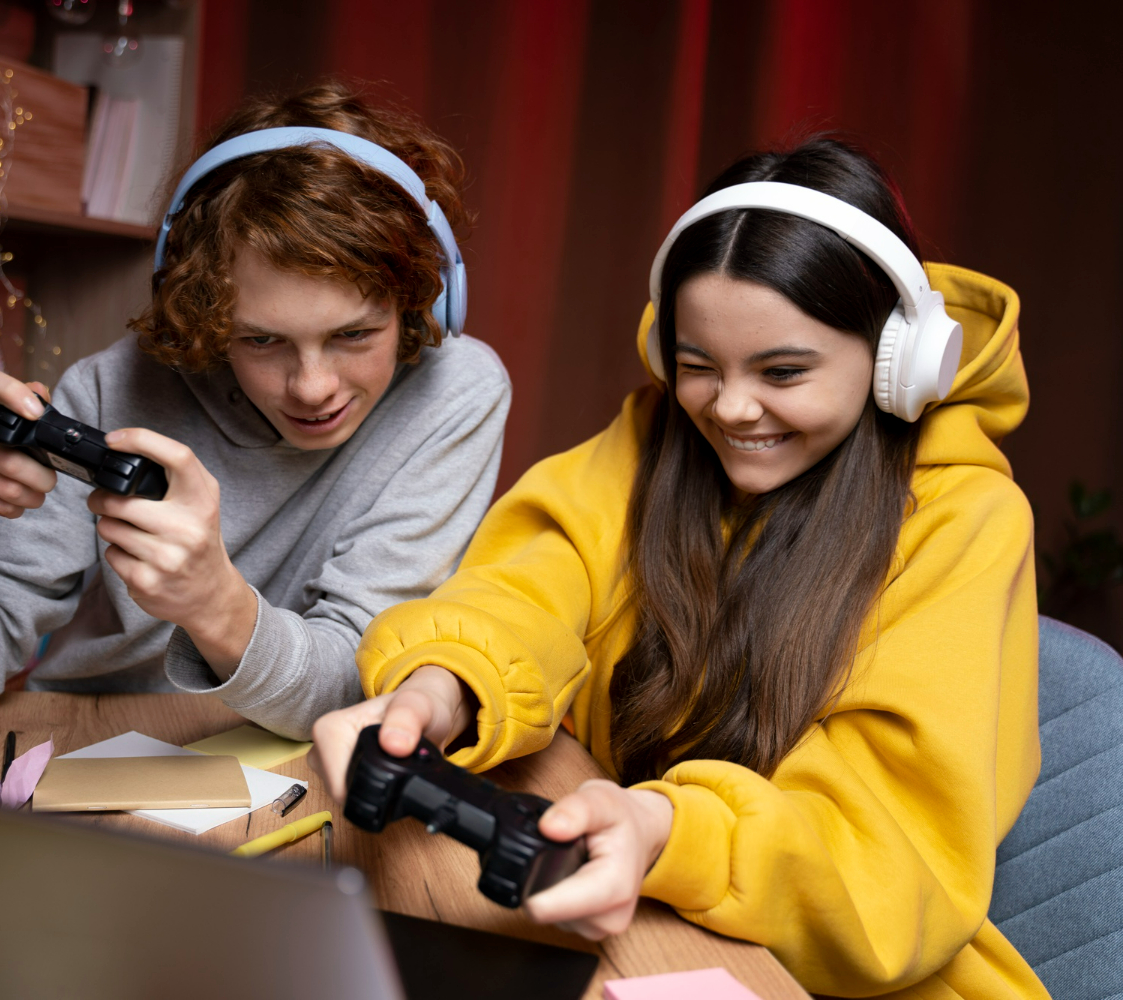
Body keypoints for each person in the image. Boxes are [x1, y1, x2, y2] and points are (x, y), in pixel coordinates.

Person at [311, 137, 1045, 999]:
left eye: (783, 371)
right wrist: (440, 686)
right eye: (698, 366)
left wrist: (662, 828)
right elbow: (529, 583)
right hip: (658, 922)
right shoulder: (653, 436)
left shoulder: (969, 522)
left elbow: (886, 855)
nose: (730, 408)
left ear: (899, 363)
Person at [0, 83, 511, 739]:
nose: (314, 387)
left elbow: (360, 687)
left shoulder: (455, 392)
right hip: (99, 742)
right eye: (262, 340)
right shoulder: (109, 388)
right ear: (205, 314)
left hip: (308, 762)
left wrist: (216, 606)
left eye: (354, 336)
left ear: (422, 304)